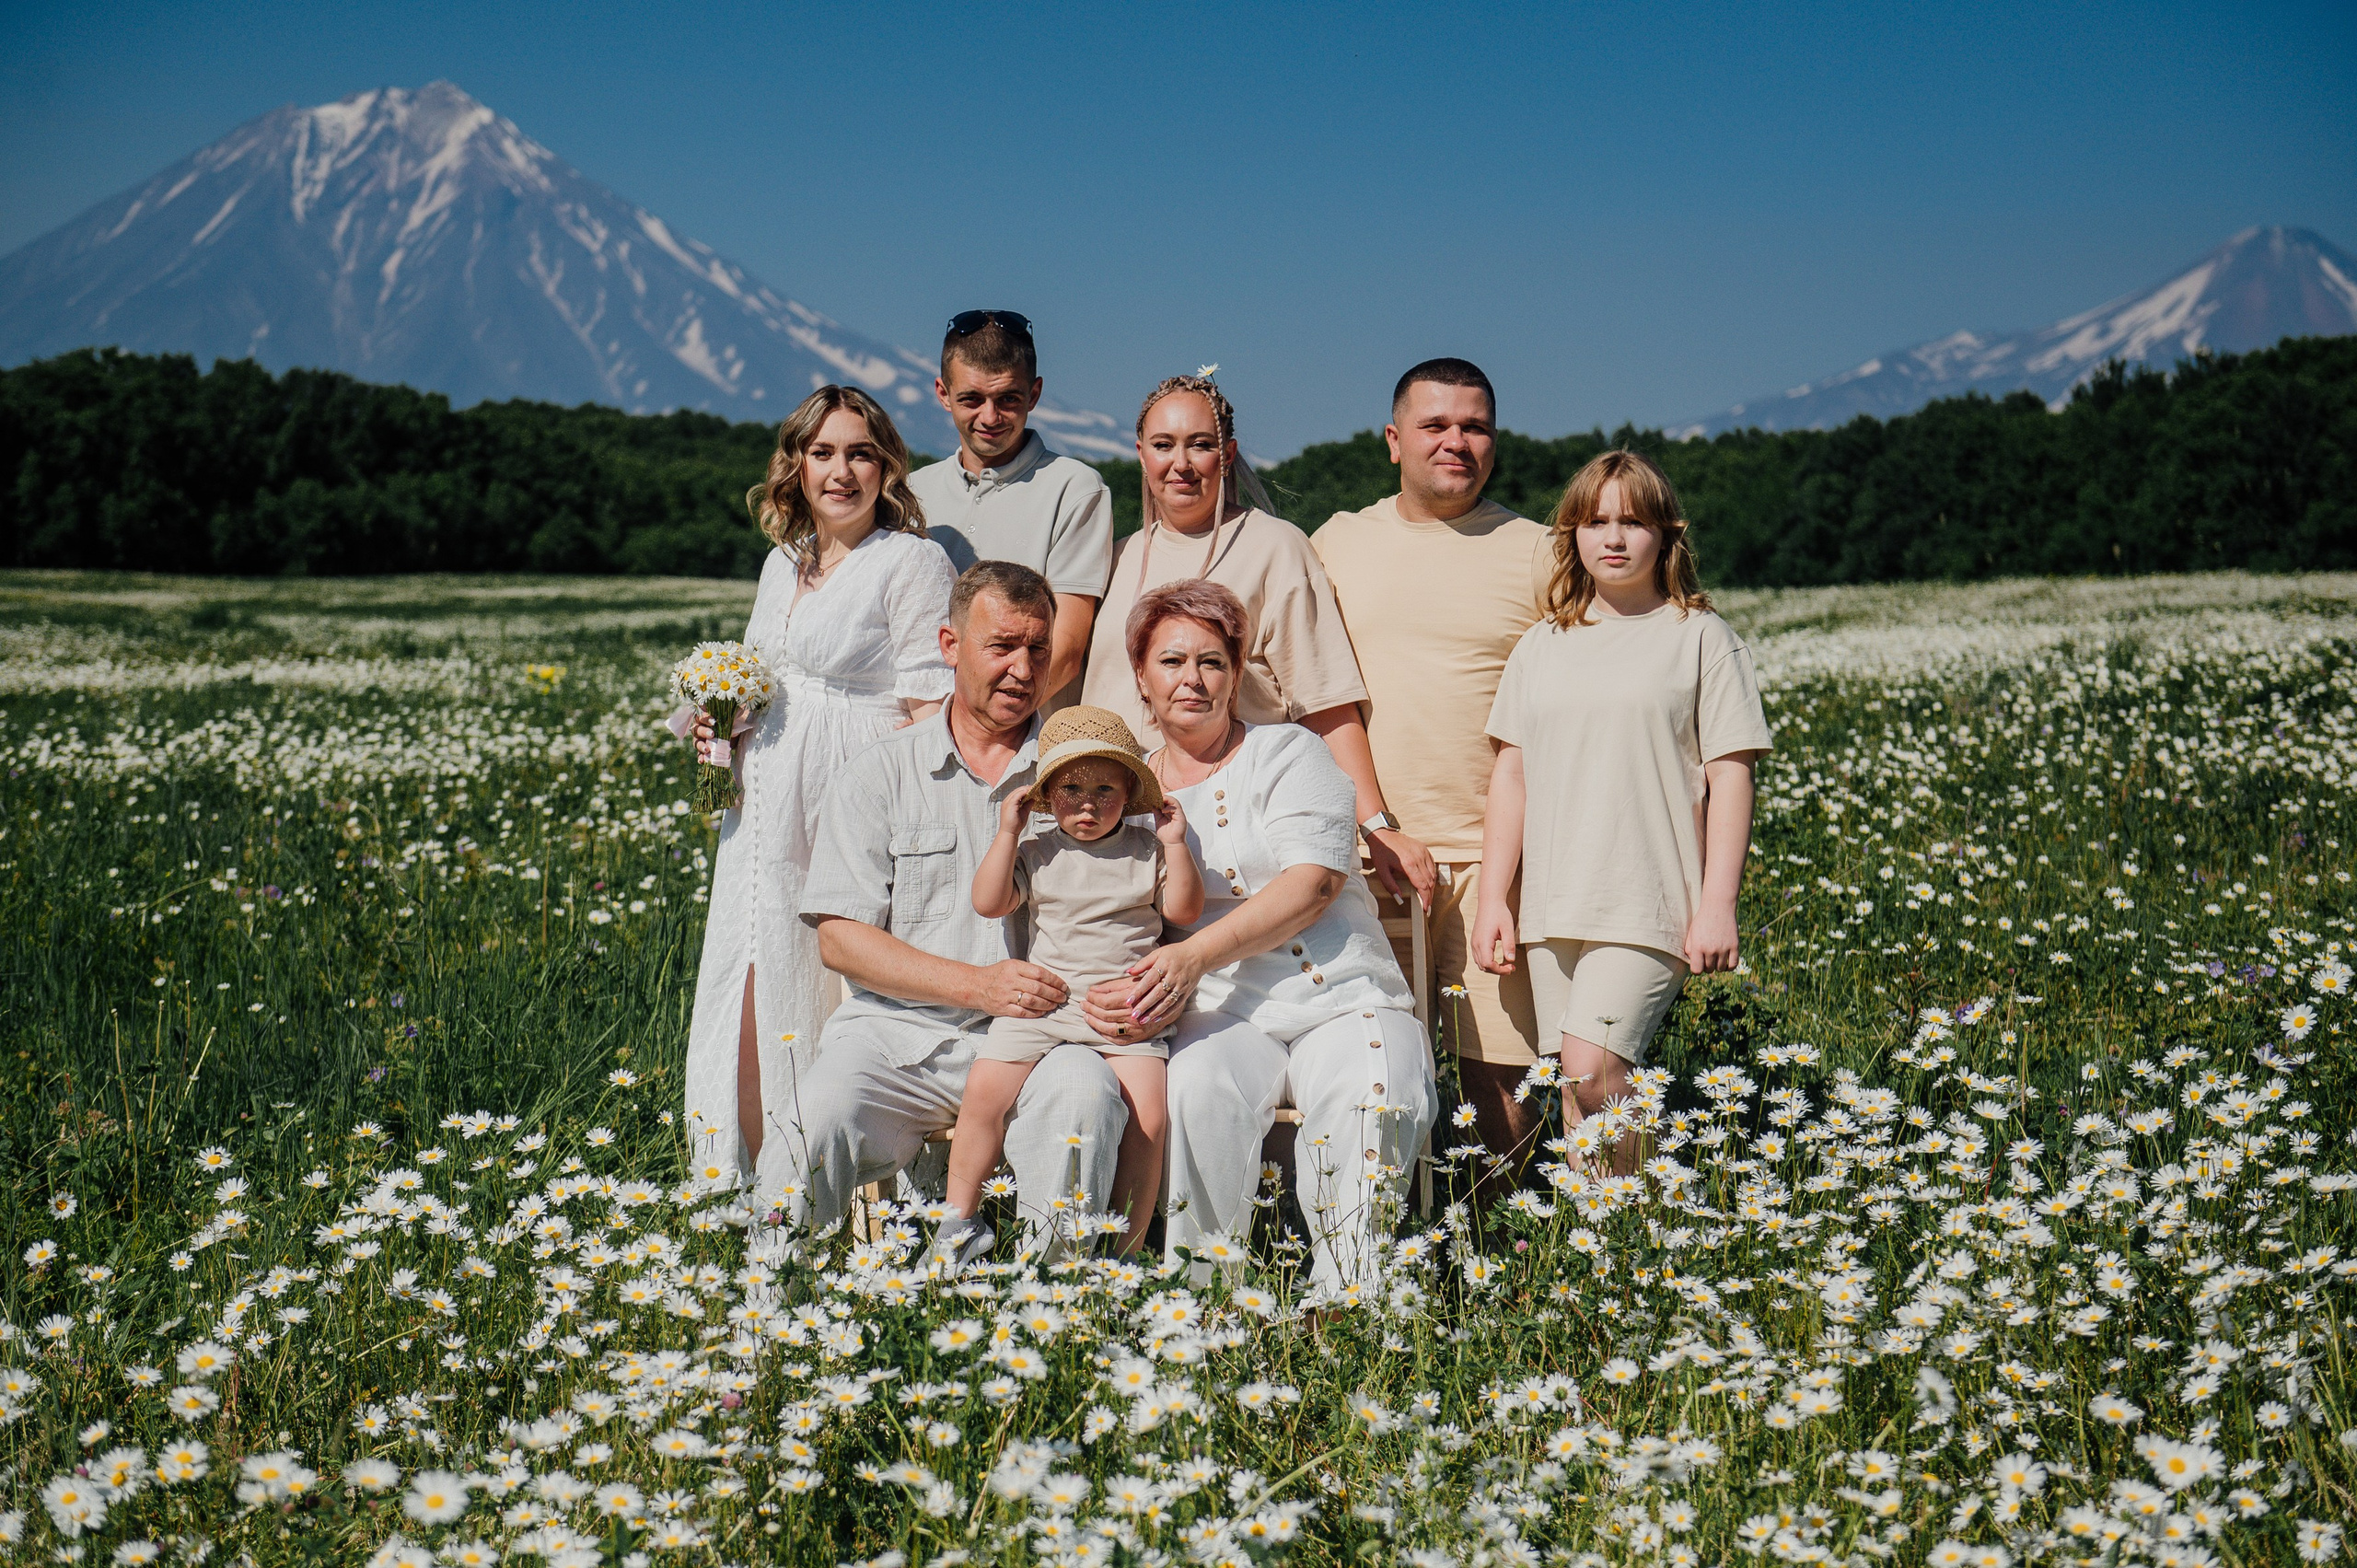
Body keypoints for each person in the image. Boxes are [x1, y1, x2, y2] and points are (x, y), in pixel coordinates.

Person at [1081, 579, 1437, 1294]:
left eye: (1212, 662)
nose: (1192, 678)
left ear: (1236, 673)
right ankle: (1207, 1301)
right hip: (1224, 1010)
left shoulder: (1290, 752)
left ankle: (1351, 1301)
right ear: (1141, 677)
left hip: (1342, 993)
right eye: (1171, 661)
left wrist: (1193, 954)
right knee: (1194, 1088)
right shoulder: (1127, 792)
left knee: (1378, 1086)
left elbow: (1315, 882)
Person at [781, 562, 1131, 1249]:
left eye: (1038, 649)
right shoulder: (881, 771)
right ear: (949, 644)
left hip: (1048, 1040)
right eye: (1001, 646)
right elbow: (840, 939)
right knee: (814, 1117)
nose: (1023, 669)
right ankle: (770, 1287)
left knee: (1084, 1095)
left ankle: (1059, 1293)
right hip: (898, 1037)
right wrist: (977, 986)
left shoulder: (1090, 776)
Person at [679, 385, 957, 1193]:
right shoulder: (782, 562)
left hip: (848, 798)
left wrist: (921, 832)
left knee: (831, 981)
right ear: (796, 465)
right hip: (761, 805)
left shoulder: (911, 560)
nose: (841, 471)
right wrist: (716, 729)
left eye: (860, 453)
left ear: (887, 467)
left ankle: (834, 1187)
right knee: (753, 971)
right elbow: (762, 677)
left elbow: (929, 710)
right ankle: (742, 1179)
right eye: (823, 452)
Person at [1471, 450, 1771, 1174]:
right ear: (1571, 534)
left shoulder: (1702, 638)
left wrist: (1719, 905)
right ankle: (1605, 1233)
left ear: (1666, 534)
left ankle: (1649, 1207)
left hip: (1650, 895)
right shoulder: (1541, 645)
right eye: (1595, 521)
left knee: (1595, 1067)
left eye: (1633, 521)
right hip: (1552, 903)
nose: (1613, 537)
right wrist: (1493, 899)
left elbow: (1732, 777)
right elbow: (1511, 775)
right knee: (1575, 1091)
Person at [1311, 357, 1552, 1193]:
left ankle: (1507, 1232)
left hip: (1498, 863)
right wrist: (1369, 824)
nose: (1457, 441)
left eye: (1475, 427)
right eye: (1436, 425)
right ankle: (1390, 1231)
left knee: (1500, 1075)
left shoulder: (1540, 552)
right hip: (1366, 854)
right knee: (1373, 1066)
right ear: (1393, 441)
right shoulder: (1337, 543)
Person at [1080, 373, 1410, 890]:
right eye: (1164, 446)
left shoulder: (1276, 547)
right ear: (1141, 454)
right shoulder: (1115, 558)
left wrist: (1375, 825)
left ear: (1228, 454)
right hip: (1114, 825)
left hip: (1230, 823)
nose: (1181, 464)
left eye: (1200, 445)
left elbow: (1324, 702)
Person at [935, 706, 1204, 1265]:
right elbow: (988, 902)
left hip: (1124, 1010)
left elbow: (1183, 910)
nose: (1087, 804)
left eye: (1105, 789)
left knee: (1149, 1119)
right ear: (1046, 794)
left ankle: (1126, 1252)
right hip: (1046, 1004)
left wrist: (1176, 843)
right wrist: (1007, 832)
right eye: (1071, 789)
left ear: (1129, 793)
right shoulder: (1037, 852)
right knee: (983, 1098)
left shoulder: (1146, 850)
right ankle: (956, 1225)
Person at [910, 310, 1112, 709]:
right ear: (943, 393)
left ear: (1034, 394)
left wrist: (967, 728)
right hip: (920, 728)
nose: (990, 417)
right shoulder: (911, 492)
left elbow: (1064, 652)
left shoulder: (1075, 489)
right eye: (971, 399)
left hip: (1028, 735)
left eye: (1008, 399)